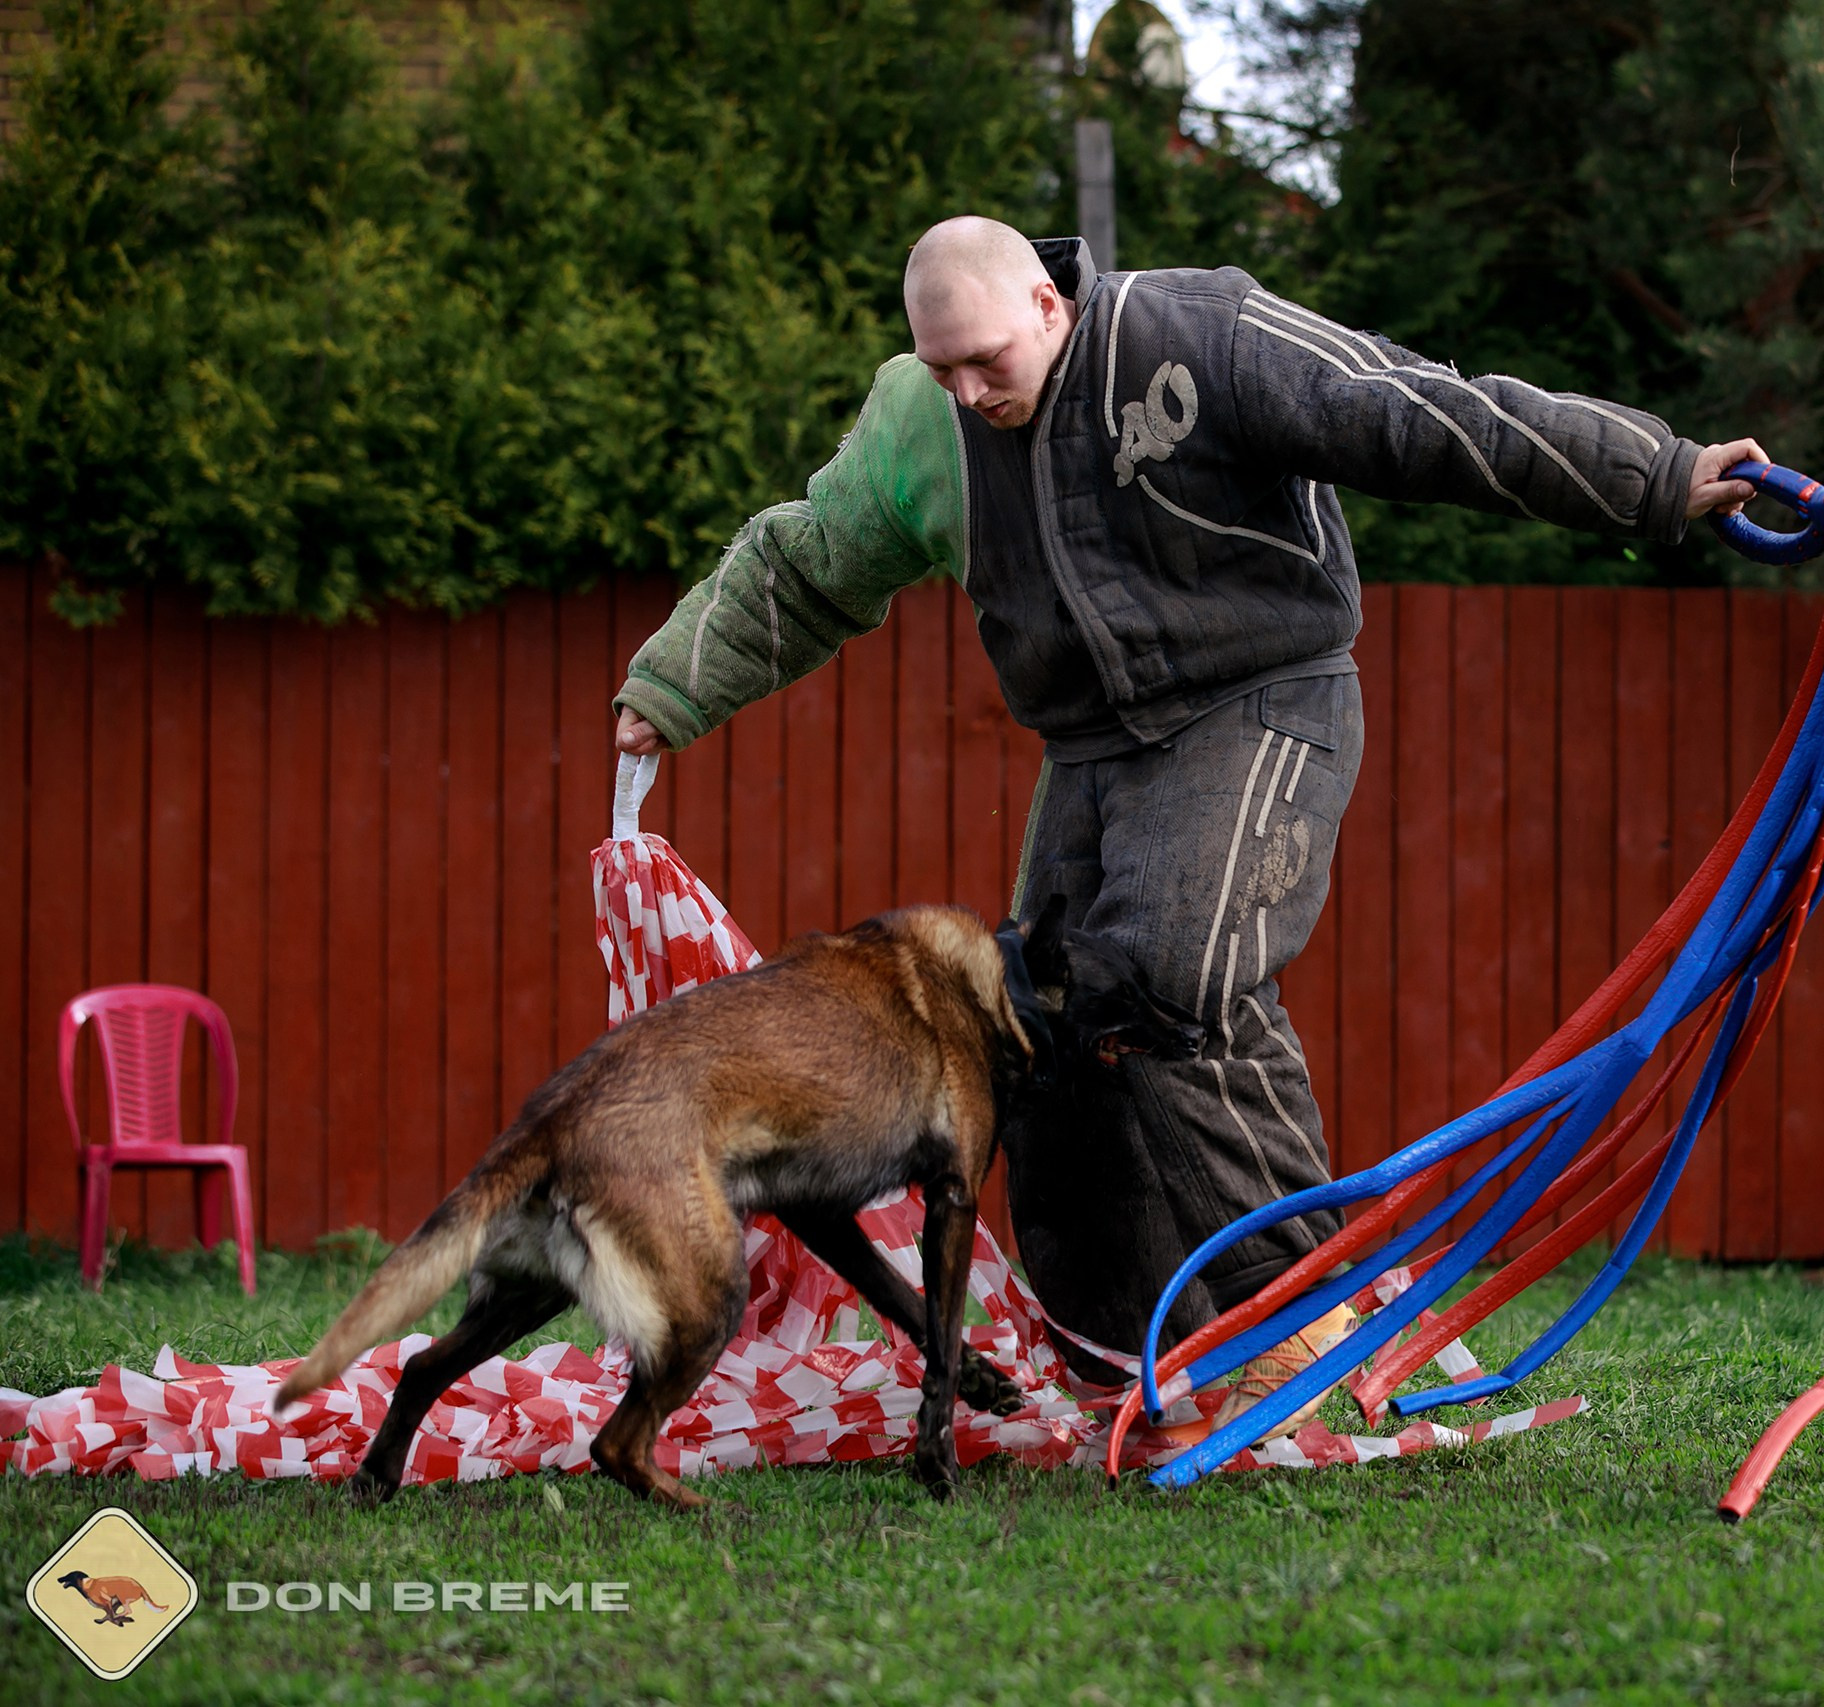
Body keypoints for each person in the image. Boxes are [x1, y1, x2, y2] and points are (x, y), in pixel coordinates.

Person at [610, 215, 1764, 1441]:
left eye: (987, 360)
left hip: (1259, 700)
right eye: (941, 368)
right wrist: (673, 686)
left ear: (1051, 304)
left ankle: (1299, 1333)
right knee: (1030, 1021)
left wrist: (1652, 472)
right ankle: (1122, 1363)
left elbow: (1417, 409)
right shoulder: (922, 421)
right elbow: (805, 564)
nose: (968, 392)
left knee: (1169, 977)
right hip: (1092, 749)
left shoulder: (1196, 335)